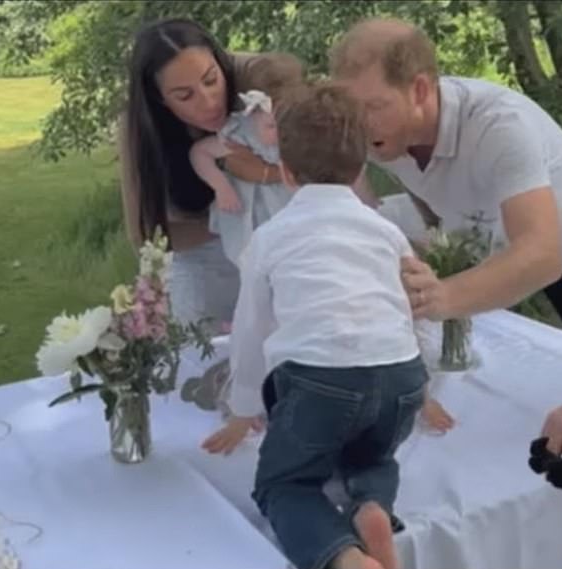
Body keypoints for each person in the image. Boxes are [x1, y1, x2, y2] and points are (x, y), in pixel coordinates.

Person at [203, 83, 432, 569]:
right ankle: (371, 505)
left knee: (283, 484)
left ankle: (347, 559)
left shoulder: (271, 238)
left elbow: (251, 331)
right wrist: (422, 384)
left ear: (285, 172)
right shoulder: (386, 230)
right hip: (400, 377)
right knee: (374, 457)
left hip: (321, 381)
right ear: (361, 165)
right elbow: (412, 304)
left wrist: (244, 406)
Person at [330, 18, 562, 326]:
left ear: (420, 89)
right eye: (350, 108)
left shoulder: (501, 127)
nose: (359, 123)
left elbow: (542, 253)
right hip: (512, 253)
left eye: (373, 106)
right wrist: (435, 234)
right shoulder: (386, 133)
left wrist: (443, 297)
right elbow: (417, 182)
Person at [118, 18, 294, 332]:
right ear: (160, 100)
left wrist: (264, 174)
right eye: (185, 96)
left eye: (211, 80)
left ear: (220, 63)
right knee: (200, 341)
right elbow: (147, 233)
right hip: (203, 244)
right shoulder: (141, 129)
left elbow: (325, 155)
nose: (209, 102)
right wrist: (230, 222)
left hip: (286, 230)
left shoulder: (260, 79)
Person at [190, 54, 305, 266]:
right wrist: (221, 186)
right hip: (250, 213)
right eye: (271, 126)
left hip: (290, 207)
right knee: (254, 258)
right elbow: (200, 153)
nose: (281, 132)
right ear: (251, 114)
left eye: (288, 121)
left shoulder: (300, 133)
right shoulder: (240, 134)